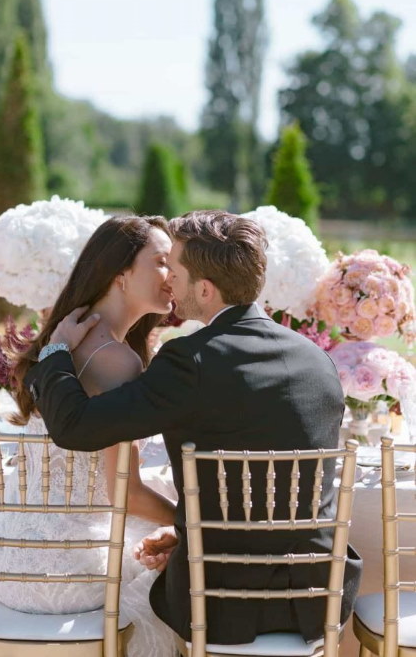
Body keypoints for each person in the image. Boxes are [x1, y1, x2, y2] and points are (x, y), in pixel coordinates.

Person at [25, 209, 362, 648]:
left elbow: (75, 429)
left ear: (204, 288)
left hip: (220, 604)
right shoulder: (318, 361)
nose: (170, 282)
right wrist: (187, 529)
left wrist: (54, 355)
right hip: (319, 597)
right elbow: (270, 484)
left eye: (176, 271)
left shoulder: (190, 361)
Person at [0, 215, 178, 657]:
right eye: (161, 262)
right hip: (61, 570)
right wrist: (188, 522)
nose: (173, 275)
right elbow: (126, 495)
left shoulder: (66, 339)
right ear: (120, 274)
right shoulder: (117, 360)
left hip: (3, 562)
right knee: (172, 568)